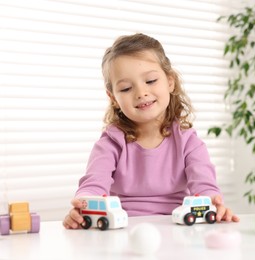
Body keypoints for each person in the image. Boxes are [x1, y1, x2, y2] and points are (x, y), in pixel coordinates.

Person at [63, 33, 240, 229]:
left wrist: (214, 203)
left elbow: (204, 186)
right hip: (123, 227)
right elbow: (94, 184)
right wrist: (84, 205)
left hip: (178, 226)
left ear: (170, 82)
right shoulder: (111, 142)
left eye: (150, 81)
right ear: (113, 97)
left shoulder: (188, 141)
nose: (141, 93)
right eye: (126, 88)